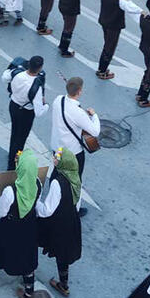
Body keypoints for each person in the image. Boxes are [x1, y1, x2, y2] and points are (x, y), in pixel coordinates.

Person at [0, 149, 42, 298]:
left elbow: (1, 210)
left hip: (11, 225)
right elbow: (36, 204)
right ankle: (29, 291)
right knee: (27, 254)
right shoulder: (37, 183)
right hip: (29, 225)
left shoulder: (11, 191)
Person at [49, 76, 100, 215]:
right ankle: (73, 210)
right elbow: (95, 131)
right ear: (80, 91)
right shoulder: (78, 112)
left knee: (56, 172)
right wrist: (94, 115)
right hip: (72, 153)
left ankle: (52, 200)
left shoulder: (58, 100)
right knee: (75, 181)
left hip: (57, 148)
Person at [37, 148, 82, 298]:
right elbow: (76, 204)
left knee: (32, 238)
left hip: (56, 223)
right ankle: (64, 285)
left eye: (57, 158)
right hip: (71, 222)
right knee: (63, 255)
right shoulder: (75, 178)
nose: (54, 159)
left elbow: (47, 210)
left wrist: (36, 202)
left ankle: (26, 274)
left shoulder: (57, 182)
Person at [3, 56, 48, 170]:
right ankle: (13, 163)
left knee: (14, 132)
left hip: (13, 105)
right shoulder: (36, 85)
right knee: (21, 139)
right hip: (26, 112)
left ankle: (11, 155)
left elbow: (4, 78)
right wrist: (46, 105)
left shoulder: (17, 73)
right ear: (40, 68)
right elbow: (39, 112)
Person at [95, 0, 142, 80]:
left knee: (107, 43)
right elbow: (132, 8)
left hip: (104, 22)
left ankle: (102, 68)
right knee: (109, 48)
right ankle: (102, 71)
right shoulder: (120, 0)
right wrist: (140, 10)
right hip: (114, 26)